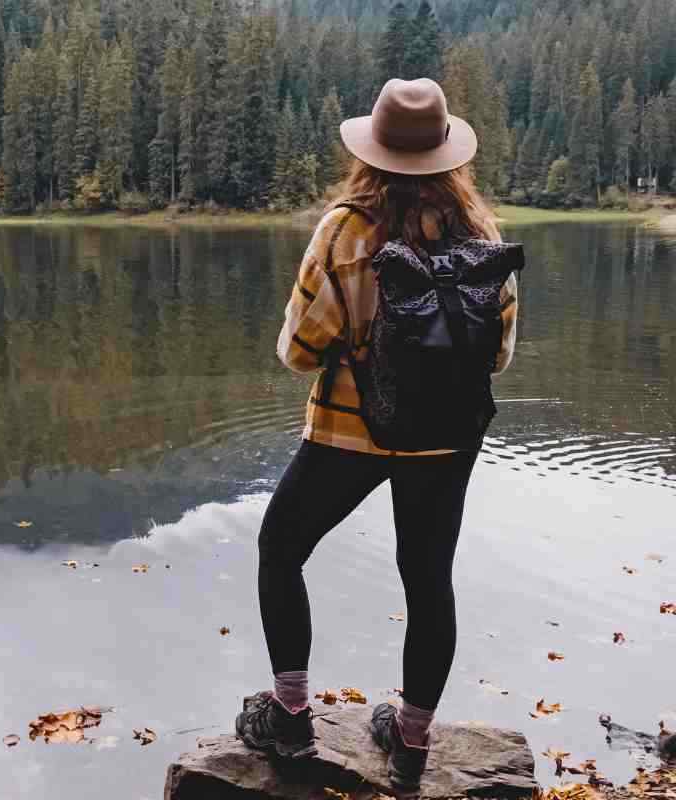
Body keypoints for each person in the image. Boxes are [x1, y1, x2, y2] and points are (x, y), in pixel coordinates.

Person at [234, 78, 519, 792]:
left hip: (347, 434)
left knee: (280, 550)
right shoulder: (481, 236)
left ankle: (291, 717)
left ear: (372, 154)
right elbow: (500, 355)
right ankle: (413, 741)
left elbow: (300, 350)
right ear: (448, 157)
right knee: (428, 582)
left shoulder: (345, 231)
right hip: (448, 439)